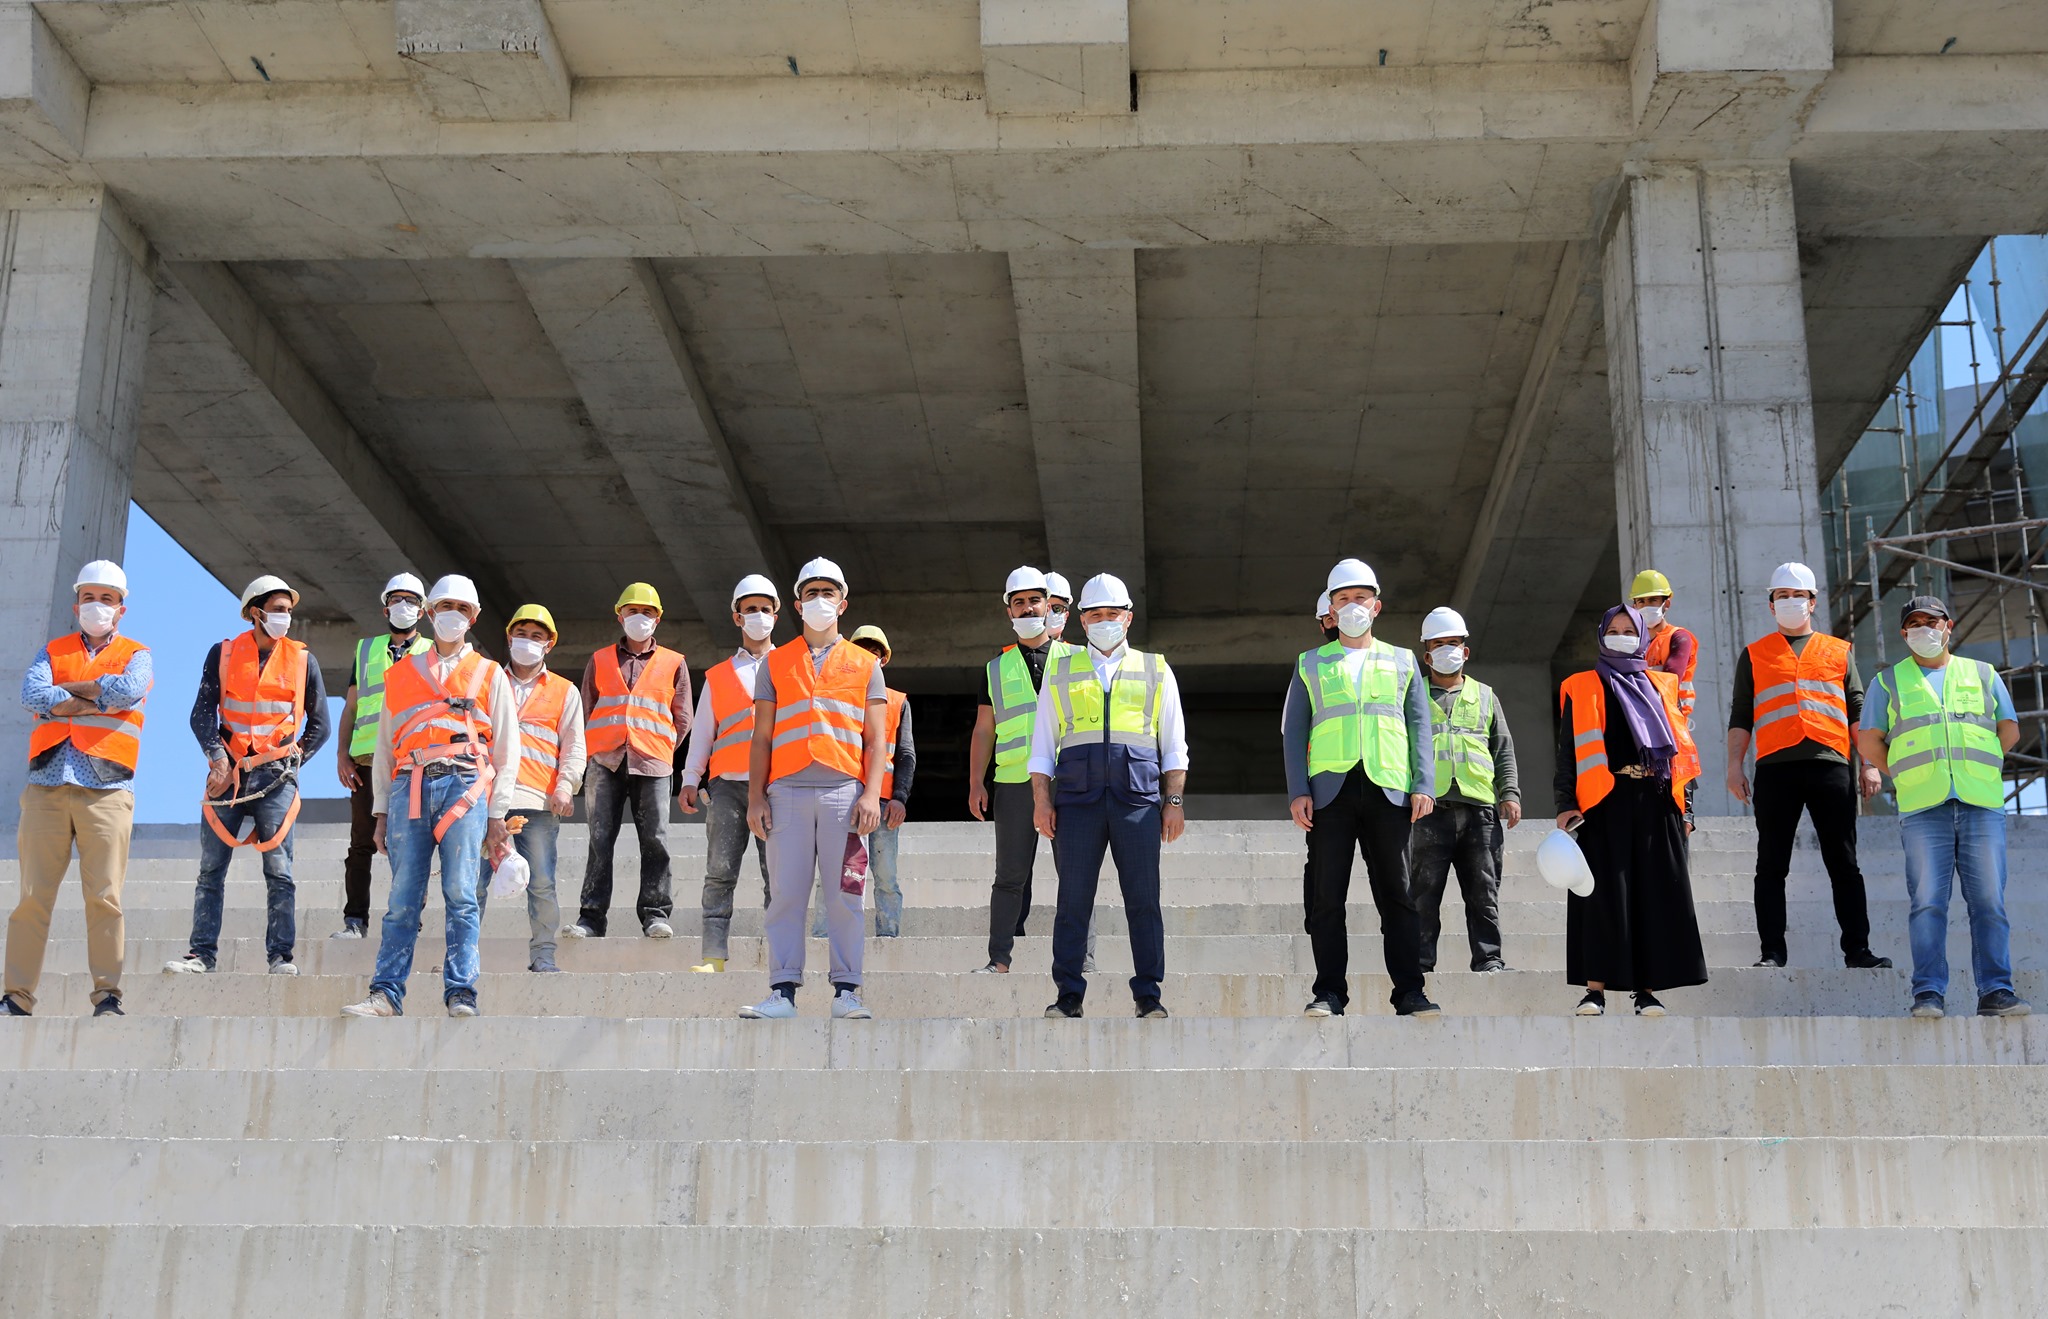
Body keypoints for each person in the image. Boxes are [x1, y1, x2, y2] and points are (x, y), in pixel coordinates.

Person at [342, 575, 516, 1018]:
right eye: (443, 607)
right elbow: (384, 747)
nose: (451, 615)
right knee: (402, 899)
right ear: (429, 612)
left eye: (461, 608)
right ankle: (386, 994)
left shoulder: (488, 672)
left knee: (461, 894)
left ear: (473, 617)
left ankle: (461, 992)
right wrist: (380, 811)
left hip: (465, 783)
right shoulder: (399, 675)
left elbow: (507, 746)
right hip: (410, 786)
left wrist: (499, 813)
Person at [1858, 595, 2029, 1018]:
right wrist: (1905, 772)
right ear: (1904, 633)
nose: (1923, 629)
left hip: (1979, 803)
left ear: (1948, 626)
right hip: (1923, 808)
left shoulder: (1983, 674)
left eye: (1931, 621)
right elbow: (1868, 741)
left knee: (1989, 901)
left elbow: (2008, 730)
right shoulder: (1887, 682)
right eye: (1914, 623)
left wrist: (1978, 768)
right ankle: (1929, 993)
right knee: (1928, 902)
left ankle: (1995, 992)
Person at [1282, 558, 1439, 1018]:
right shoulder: (1310, 662)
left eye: (1360, 598)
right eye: (1343, 599)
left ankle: (1409, 991)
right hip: (1330, 791)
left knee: (1398, 893)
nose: (1352, 606)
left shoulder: (1403, 660)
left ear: (1377, 606)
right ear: (1330, 608)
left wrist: (1423, 783)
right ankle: (1330, 992)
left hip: (1389, 787)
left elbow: (1419, 726)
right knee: (1327, 896)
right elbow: (1295, 731)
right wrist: (1297, 790)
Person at [1032, 573, 1188, 1021]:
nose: (1104, 622)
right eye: (1095, 614)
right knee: (1072, 900)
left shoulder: (1156, 668)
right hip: (1076, 802)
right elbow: (1043, 746)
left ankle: (1148, 994)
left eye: (1111, 614)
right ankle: (1068, 994)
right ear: (1082, 620)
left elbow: (1174, 745)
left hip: (1137, 800)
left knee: (1143, 899)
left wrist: (1172, 803)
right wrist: (1042, 801)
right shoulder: (1061, 670)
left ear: (1128, 618)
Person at [739, 558, 890, 1021]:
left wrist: (871, 794)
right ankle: (782, 992)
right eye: (811, 592)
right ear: (798, 603)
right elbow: (761, 736)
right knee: (785, 894)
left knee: (845, 895)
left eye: (828, 592)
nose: (819, 600)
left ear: (843, 602)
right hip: (786, 794)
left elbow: (877, 738)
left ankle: (847, 991)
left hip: (844, 794)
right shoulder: (776, 662)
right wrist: (755, 797)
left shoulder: (866, 665)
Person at [1726, 561, 1891, 970]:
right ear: (1770, 605)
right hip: (1776, 768)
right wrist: (1734, 765)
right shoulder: (1754, 655)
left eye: (1797, 595)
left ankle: (1858, 950)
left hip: (1829, 765)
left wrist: (1869, 763)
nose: (1790, 602)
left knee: (1844, 863)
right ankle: (1772, 951)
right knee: (1771, 864)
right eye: (1782, 596)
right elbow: (1741, 714)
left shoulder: (1839, 651)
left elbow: (1857, 710)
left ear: (1813, 602)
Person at [5, 561, 152, 1018]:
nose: (97, 606)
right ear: (76, 604)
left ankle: (107, 995)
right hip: (47, 784)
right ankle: (15, 997)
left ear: (121, 608)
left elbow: (127, 691)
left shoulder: (137, 653)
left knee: (104, 897)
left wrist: (64, 697)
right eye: (89, 597)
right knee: (31, 899)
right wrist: (93, 694)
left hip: (107, 788)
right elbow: (32, 697)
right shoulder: (51, 650)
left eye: (106, 599)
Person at [165, 575, 329, 978]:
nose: (285, 617)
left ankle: (280, 956)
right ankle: (201, 954)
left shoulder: (303, 659)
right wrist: (217, 759)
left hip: (276, 777)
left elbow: (320, 725)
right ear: (255, 612)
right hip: (230, 775)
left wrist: (293, 763)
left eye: (288, 611)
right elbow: (201, 714)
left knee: (280, 869)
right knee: (211, 869)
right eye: (277, 610)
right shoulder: (222, 654)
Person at [1556, 604, 1706, 1016]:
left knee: (1653, 895)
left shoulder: (1662, 685)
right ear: (1602, 635)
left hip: (1658, 801)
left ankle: (1647, 990)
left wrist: (1687, 809)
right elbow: (1568, 751)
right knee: (1601, 896)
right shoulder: (1580, 684)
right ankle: (1594, 991)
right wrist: (1565, 803)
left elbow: (1680, 749)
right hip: (1604, 800)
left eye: (1628, 630)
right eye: (1613, 630)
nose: (1621, 635)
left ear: (1641, 637)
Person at [567, 583, 692, 940]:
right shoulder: (600, 659)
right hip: (605, 762)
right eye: (633, 611)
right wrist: (598, 748)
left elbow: (682, 718)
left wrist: (660, 747)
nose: (640, 618)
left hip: (652, 763)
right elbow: (587, 709)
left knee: (655, 839)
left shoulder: (674, 662)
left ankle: (655, 914)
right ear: (619, 615)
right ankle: (591, 918)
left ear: (658, 618)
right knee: (599, 840)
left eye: (648, 612)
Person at [1409, 606, 1521, 974]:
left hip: (1479, 810)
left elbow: (1502, 747)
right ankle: (1420, 963)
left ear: (1465, 650)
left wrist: (1510, 794)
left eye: (1453, 643)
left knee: (1483, 892)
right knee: (1423, 895)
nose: (1447, 650)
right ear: (1427, 655)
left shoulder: (1485, 695)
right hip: (1428, 810)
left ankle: (1489, 959)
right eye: (1439, 644)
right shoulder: (1412, 696)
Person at [968, 566, 1068, 974]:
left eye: (1034, 600)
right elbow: (983, 728)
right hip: (1012, 782)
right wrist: (976, 781)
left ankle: (1084, 960)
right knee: (1009, 876)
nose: (1028, 608)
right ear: (1008, 610)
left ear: (1048, 605)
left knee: (1074, 876)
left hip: (1068, 780)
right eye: (1019, 601)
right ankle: (999, 960)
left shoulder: (1076, 659)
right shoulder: (995, 669)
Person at [476, 604, 584, 974]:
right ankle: (463, 957)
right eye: (521, 634)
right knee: (472, 885)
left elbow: (573, 746)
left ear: (549, 644)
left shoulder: (564, 691)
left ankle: (543, 955)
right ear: (509, 637)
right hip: (487, 800)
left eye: (536, 636)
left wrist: (566, 787)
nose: (528, 641)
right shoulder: (488, 681)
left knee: (540, 883)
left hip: (536, 802)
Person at [679, 574, 778, 973]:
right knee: (719, 873)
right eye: (750, 609)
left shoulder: (791, 665)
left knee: (780, 877)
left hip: (776, 785)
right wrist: (690, 778)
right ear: (737, 617)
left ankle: (781, 957)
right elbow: (703, 731)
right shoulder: (719, 675)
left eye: (764, 609)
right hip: (726, 787)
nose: (757, 616)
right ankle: (714, 957)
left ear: (777, 615)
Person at [333, 573, 428, 939]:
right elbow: (352, 707)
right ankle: (355, 920)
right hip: (367, 763)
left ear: (421, 611)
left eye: (411, 600)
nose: (403, 606)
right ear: (385, 606)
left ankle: (408, 921)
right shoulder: (366, 650)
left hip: (411, 764)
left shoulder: (432, 651)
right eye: (397, 599)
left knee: (409, 845)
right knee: (361, 843)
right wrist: (342, 754)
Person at [813, 625, 914, 938]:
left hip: (883, 804)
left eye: (875, 652)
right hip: (842, 799)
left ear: (883, 659)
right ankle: (823, 936)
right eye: (861, 651)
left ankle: (889, 937)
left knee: (885, 877)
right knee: (834, 873)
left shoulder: (896, 702)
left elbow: (906, 754)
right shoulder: (834, 698)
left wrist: (900, 797)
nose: (869, 657)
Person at [1630, 569, 1697, 726]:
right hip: (1639, 722)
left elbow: (1670, 679)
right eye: (1641, 601)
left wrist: (1633, 673)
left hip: (1671, 722)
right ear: (1634, 606)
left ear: (1666, 603)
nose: (1646, 606)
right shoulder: (1633, 643)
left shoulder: (1679, 637)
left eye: (1652, 600)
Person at [1044, 572, 1073, 643]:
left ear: (1066, 616)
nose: (1049, 613)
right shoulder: (1012, 652)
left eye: (1057, 608)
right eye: (1045, 608)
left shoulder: (1077, 652)